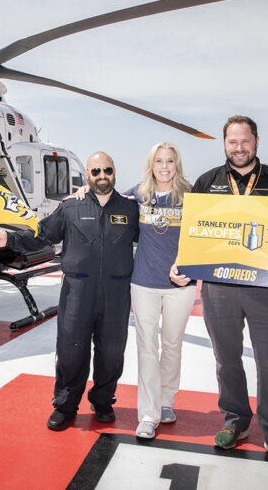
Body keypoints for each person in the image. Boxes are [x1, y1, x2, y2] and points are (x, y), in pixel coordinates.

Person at [170, 115, 268, 471]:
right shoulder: (208, 182)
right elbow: (193, 231)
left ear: (256, 141)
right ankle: (235, 421)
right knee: (226, 359)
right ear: (224, 144)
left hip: (266, 286)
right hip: (220, 287)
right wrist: (181, 263)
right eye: (232, 142)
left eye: (245, 141)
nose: (239, 148)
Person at [0, 151, 139, 431]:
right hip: (77, 293)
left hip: (116, 295)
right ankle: (66, 405)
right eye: (95, 171)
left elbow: (154, 240)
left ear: (114, 172)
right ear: (88, 176)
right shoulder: (71, 207)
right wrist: (8, 238)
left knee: (112, 351)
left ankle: (103, 401)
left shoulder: (131, 209)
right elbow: (42, 235)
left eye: (107, 170)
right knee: (71, 349)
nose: (102, 176)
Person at [71, 142, 196, 440]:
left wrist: (188, 266)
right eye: (159, 161)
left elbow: (204, 237)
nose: (164, 166)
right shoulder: (138, 193)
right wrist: (82, 193)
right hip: (143, 283)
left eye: (170, 161)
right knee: (147, 348)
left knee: (173, 345)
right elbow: (106, 196)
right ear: (150, 164)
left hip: (182, 285)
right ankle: (149, 414)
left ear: (177, 164)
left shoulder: (191, 195)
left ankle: (167, 401)